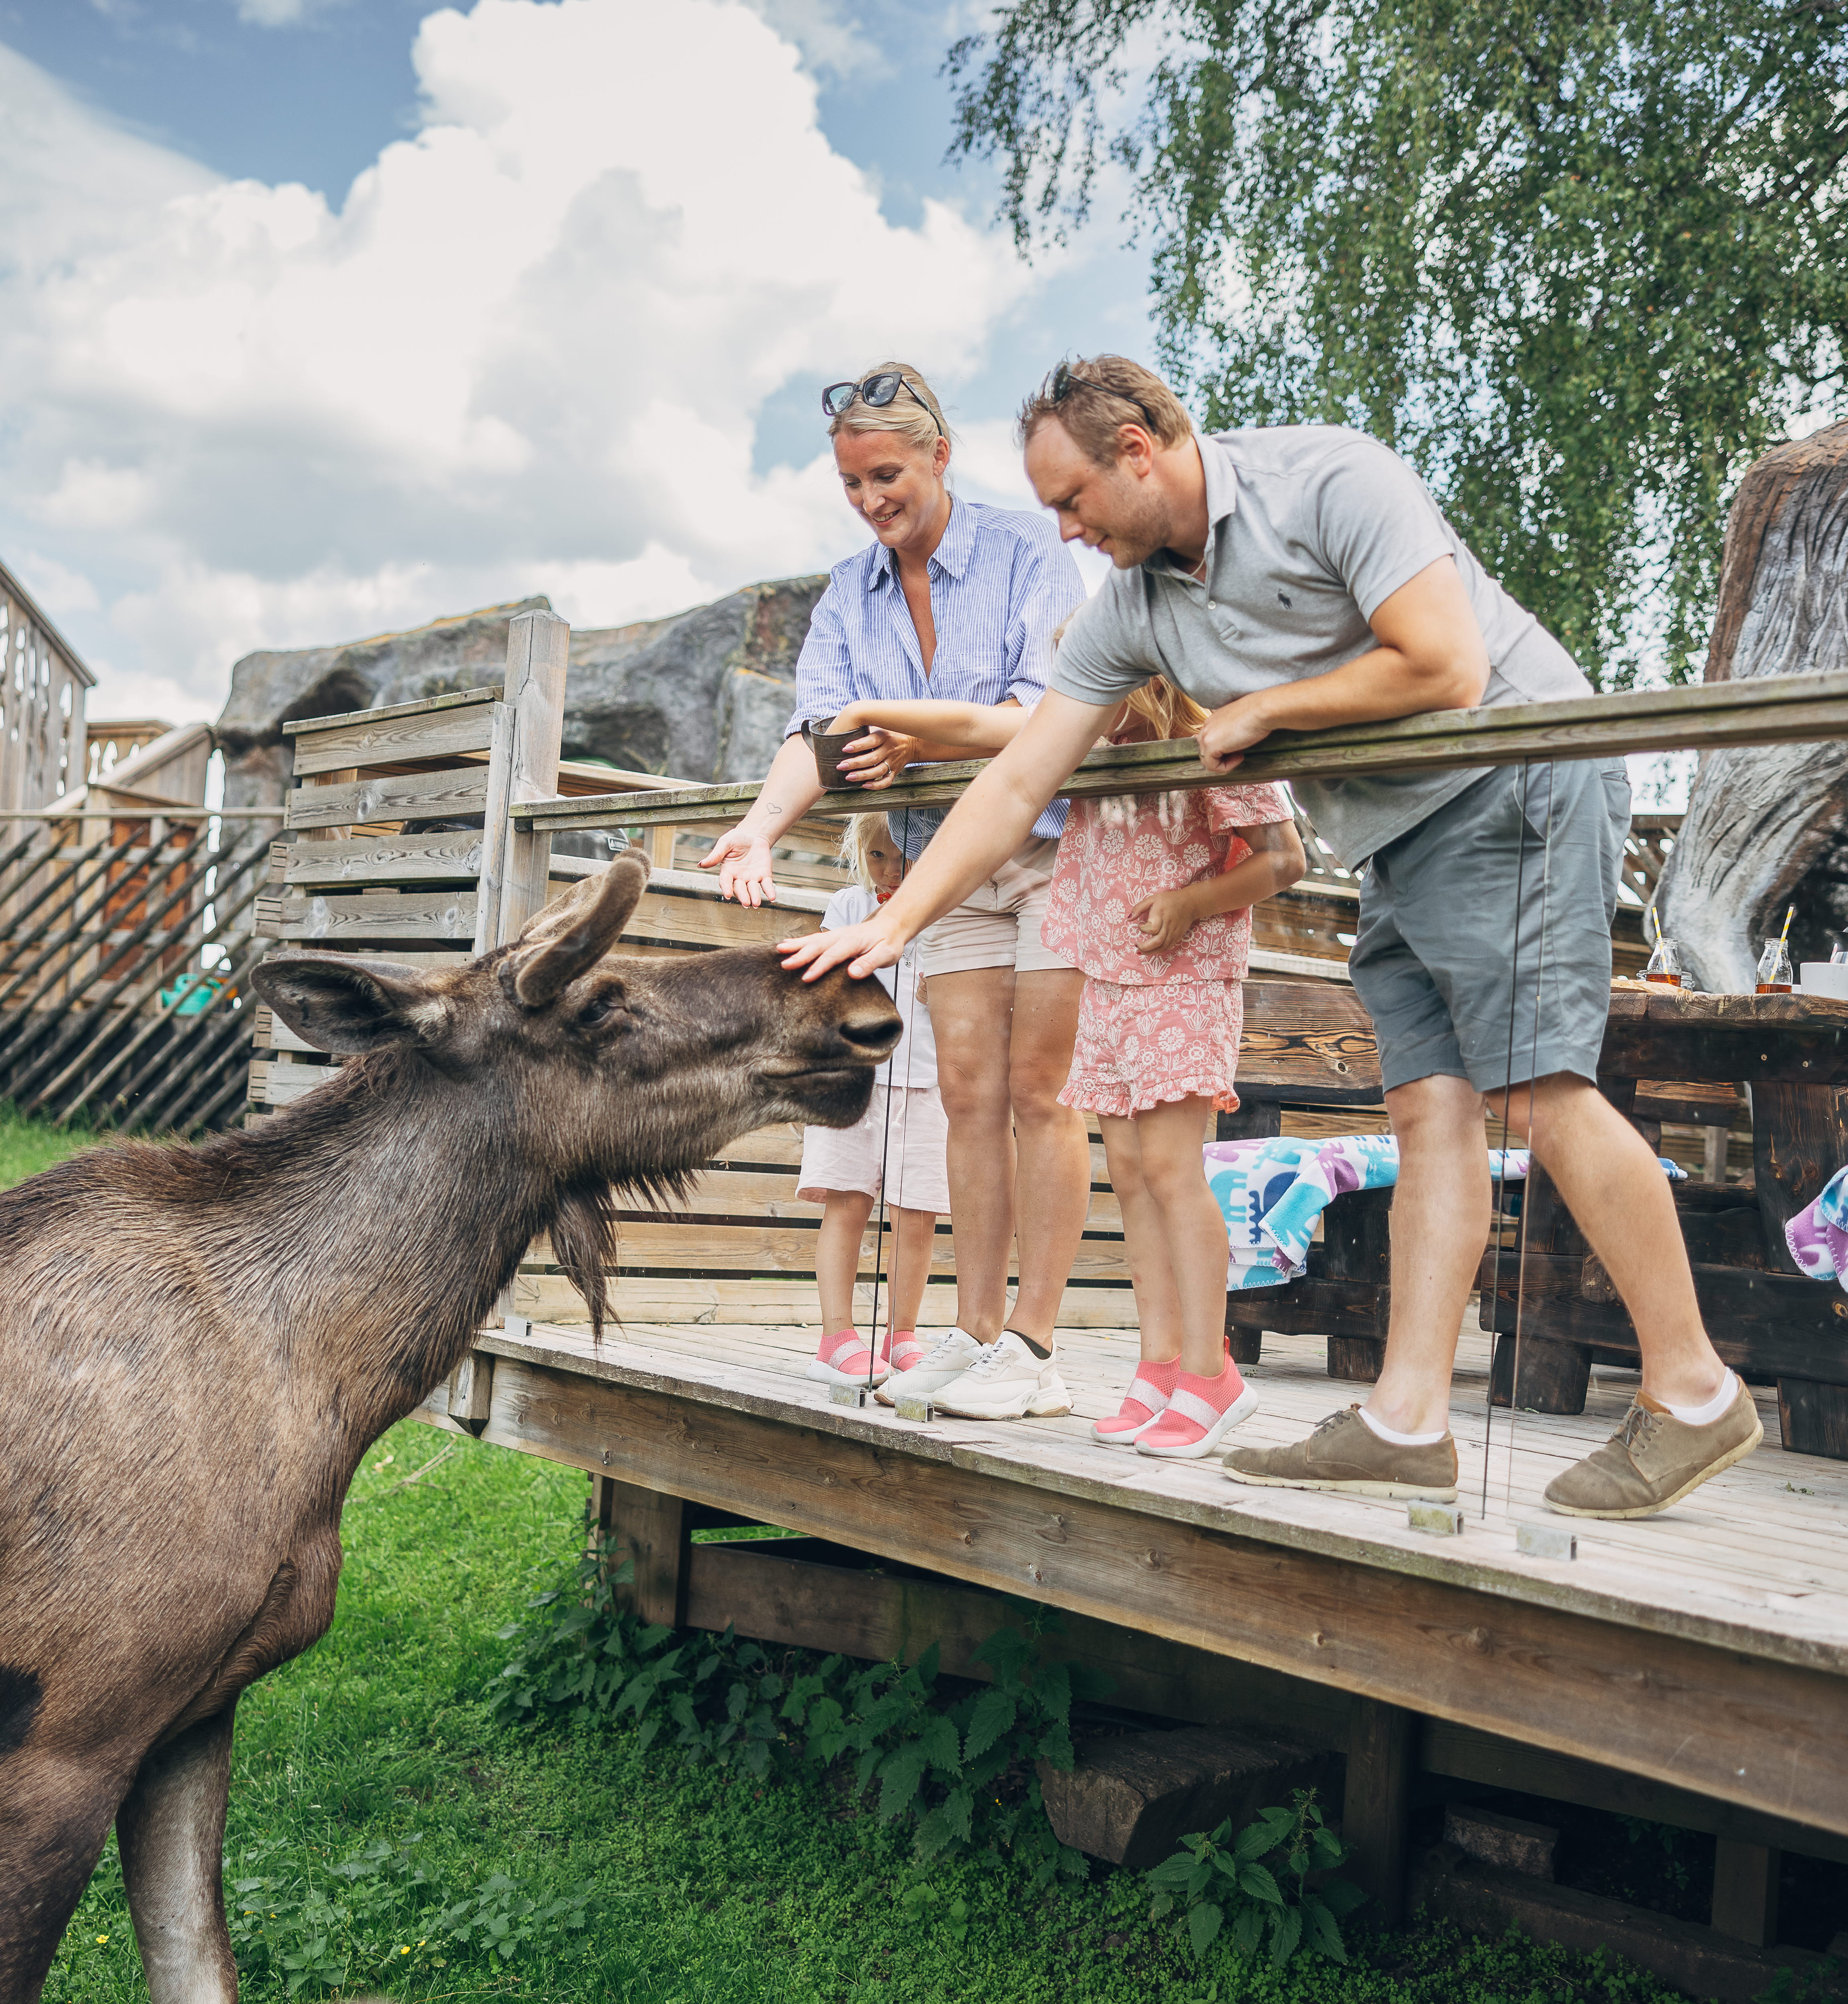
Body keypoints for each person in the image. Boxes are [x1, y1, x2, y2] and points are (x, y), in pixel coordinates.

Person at [779, 353, 1758, 1521]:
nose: (1064, 530)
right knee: (1427, 1109)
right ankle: (1405, 1421)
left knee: (1535, 1082)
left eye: (1073, 500)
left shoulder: (1330, 478)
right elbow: (1015, 779)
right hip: (1395, 831)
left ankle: (1691, 1388)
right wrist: (890, 922)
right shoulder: (1133, 609)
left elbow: (1442, 662)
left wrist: (1270, 709)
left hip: (1509, 777)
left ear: (1138, 449)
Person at [699, 363, 1092, 1422]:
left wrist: (903, 722)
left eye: (888, 476)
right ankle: (970, 1340)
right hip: (941, 862)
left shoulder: (1023, 555)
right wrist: (758, 827)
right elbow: (818, 735)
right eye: (853, 486)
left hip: (1053, 848)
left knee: (1039, 1094)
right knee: (965, 1095)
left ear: (938, 456)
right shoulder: (849, 591)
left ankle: (1036, 1346)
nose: (873, 502)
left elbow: (1045, 715)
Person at [796, 817, 948, 1389]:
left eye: (904, 857)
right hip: (852, 1082)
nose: (889, 870)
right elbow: (829, 983)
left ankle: (902, 1333)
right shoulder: (847, 907)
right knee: (848, 1202)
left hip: (929, 1082)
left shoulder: (950, 915)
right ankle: (837, 1337)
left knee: (917, 1214)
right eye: (878, 855)